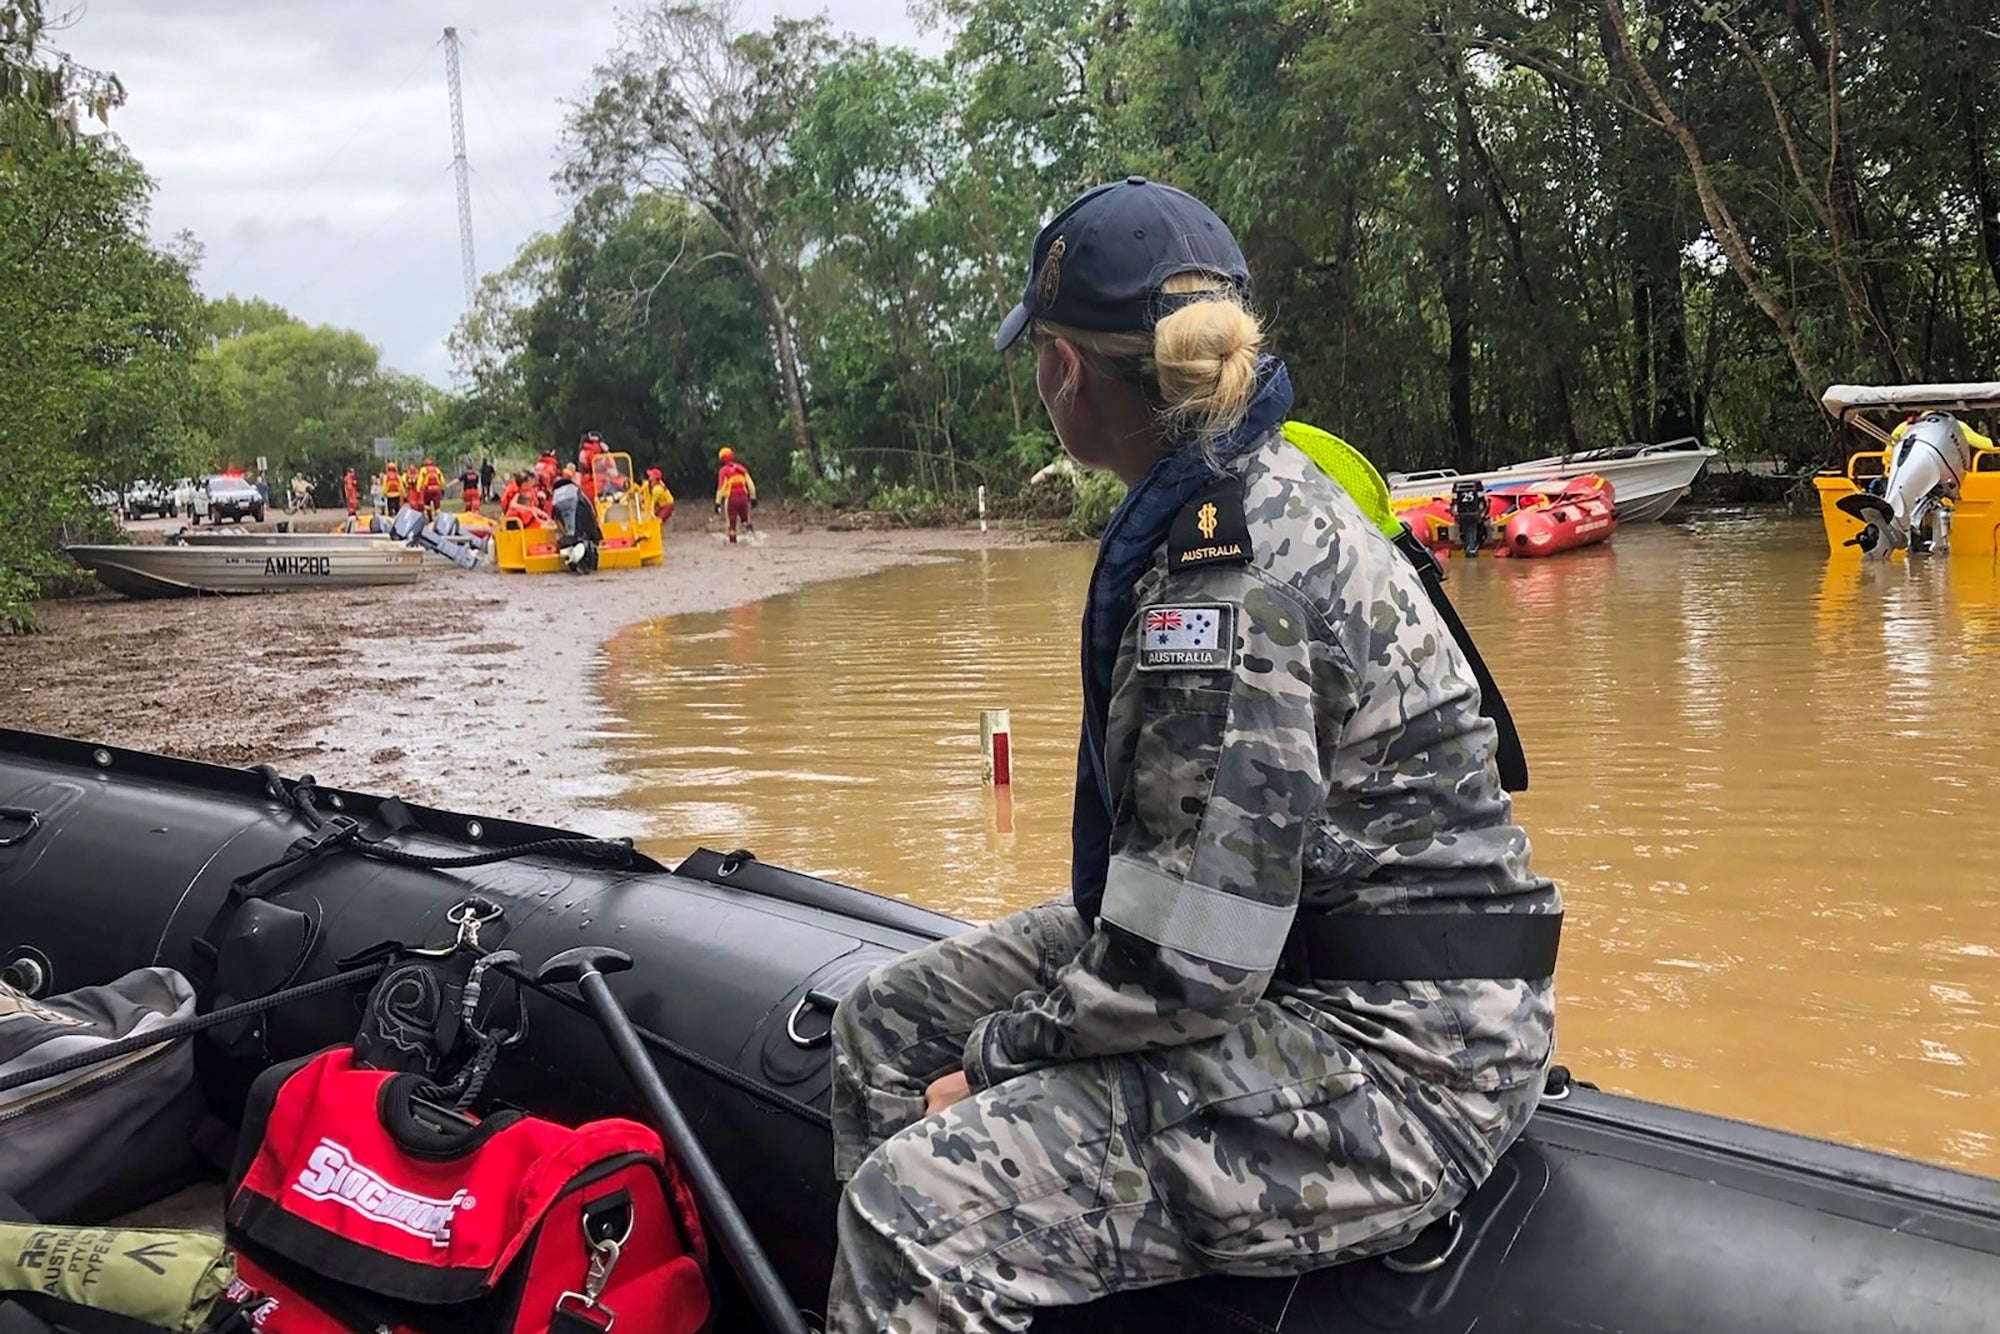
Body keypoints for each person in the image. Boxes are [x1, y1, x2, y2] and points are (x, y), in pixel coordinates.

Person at [825, 179, 1560, 1333]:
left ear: (1063, 369)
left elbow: (1185, 967)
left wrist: (995, 1062)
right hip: (1287, 945)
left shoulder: (1228, 579)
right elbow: (1191, 912)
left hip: (1403, 1041)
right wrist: (976, 1056)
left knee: (914, 1208)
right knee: (879, 1023)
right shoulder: (1230, 499)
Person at [713, 447, 755, 543]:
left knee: (731, 524)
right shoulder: (741, 469)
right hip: (744, 498)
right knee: (746, 520)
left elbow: (721, 488)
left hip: (731, 499)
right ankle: (753, 539)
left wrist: (717, 503)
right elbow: (751, 485)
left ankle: (733, 544)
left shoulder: (723, 471)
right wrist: (753, 498)